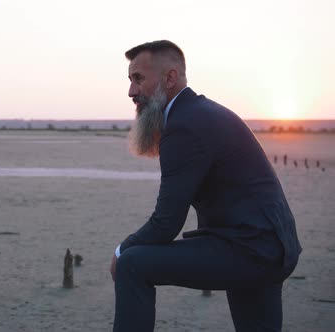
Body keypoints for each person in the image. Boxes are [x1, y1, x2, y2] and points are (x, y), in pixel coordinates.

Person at [110, 40, 302, 332]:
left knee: (132, 264)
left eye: (139, 79)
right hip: (272, 245)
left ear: (170, 78)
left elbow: (165, 224)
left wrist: (121, 251)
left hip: (248, 248)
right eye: (130, 80)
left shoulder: (185, 125)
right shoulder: (202, 112)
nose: (131, 91)